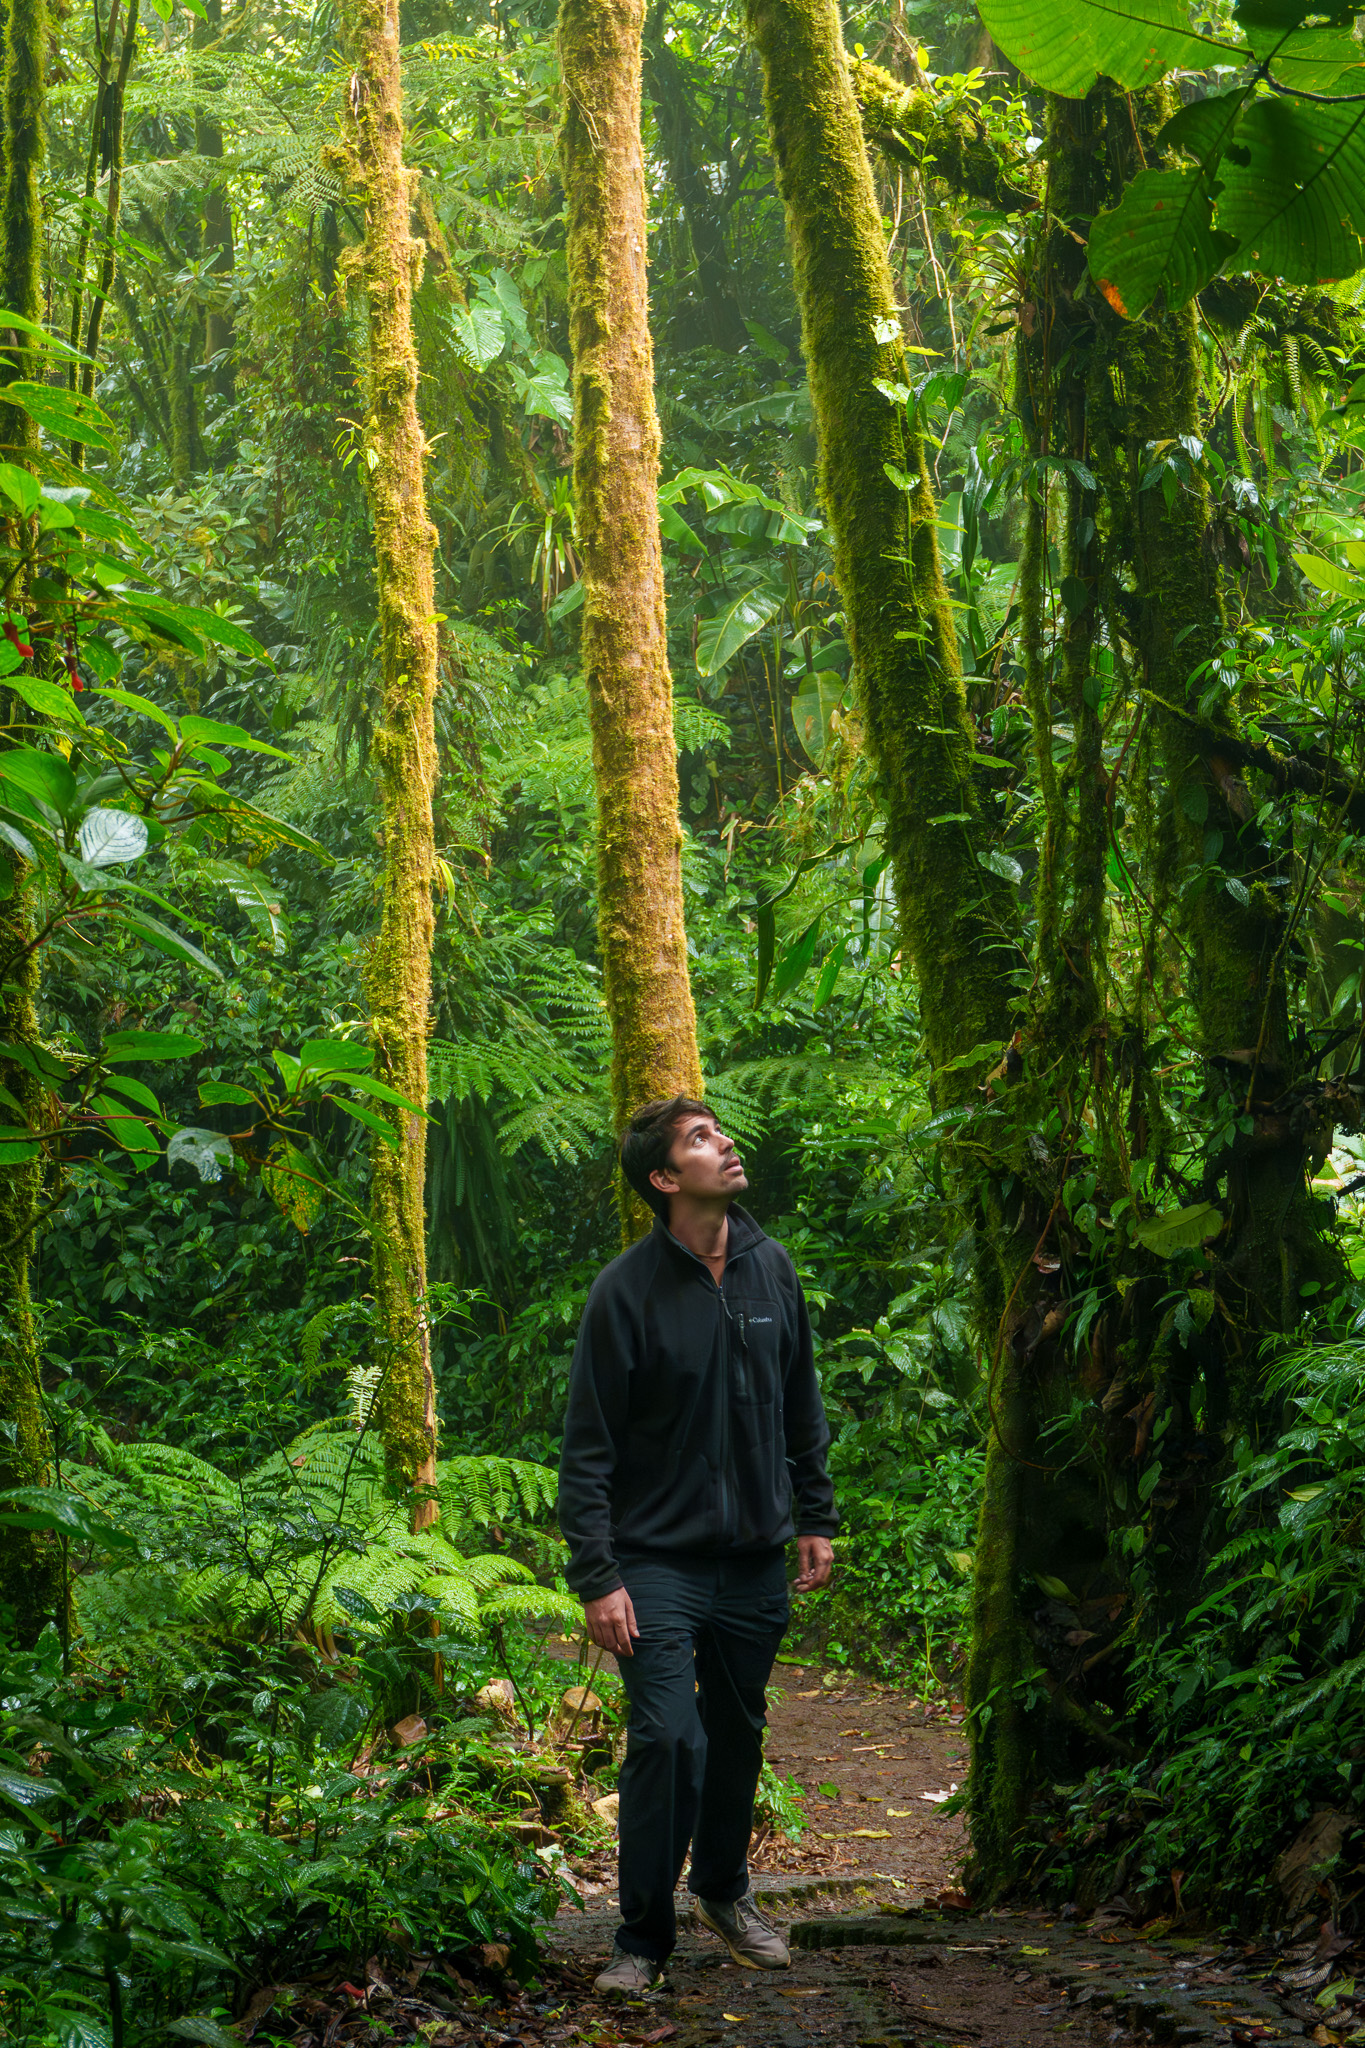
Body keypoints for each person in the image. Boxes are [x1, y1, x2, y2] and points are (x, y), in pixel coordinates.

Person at [558, 1096, 838, 1994]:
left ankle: (723, 1892)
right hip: (654, 1562)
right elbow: (588, 1447)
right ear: (664, 1178)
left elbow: (801, 1402)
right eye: (700, 1139)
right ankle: (640, 1940)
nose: (726, 1144)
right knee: (667, 1737)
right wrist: (597, 1576)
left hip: (753, 1557)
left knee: (735, 1733)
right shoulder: (625, 1291)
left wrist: (815, 1516)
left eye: (718, 1131)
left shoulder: (770, 1269)